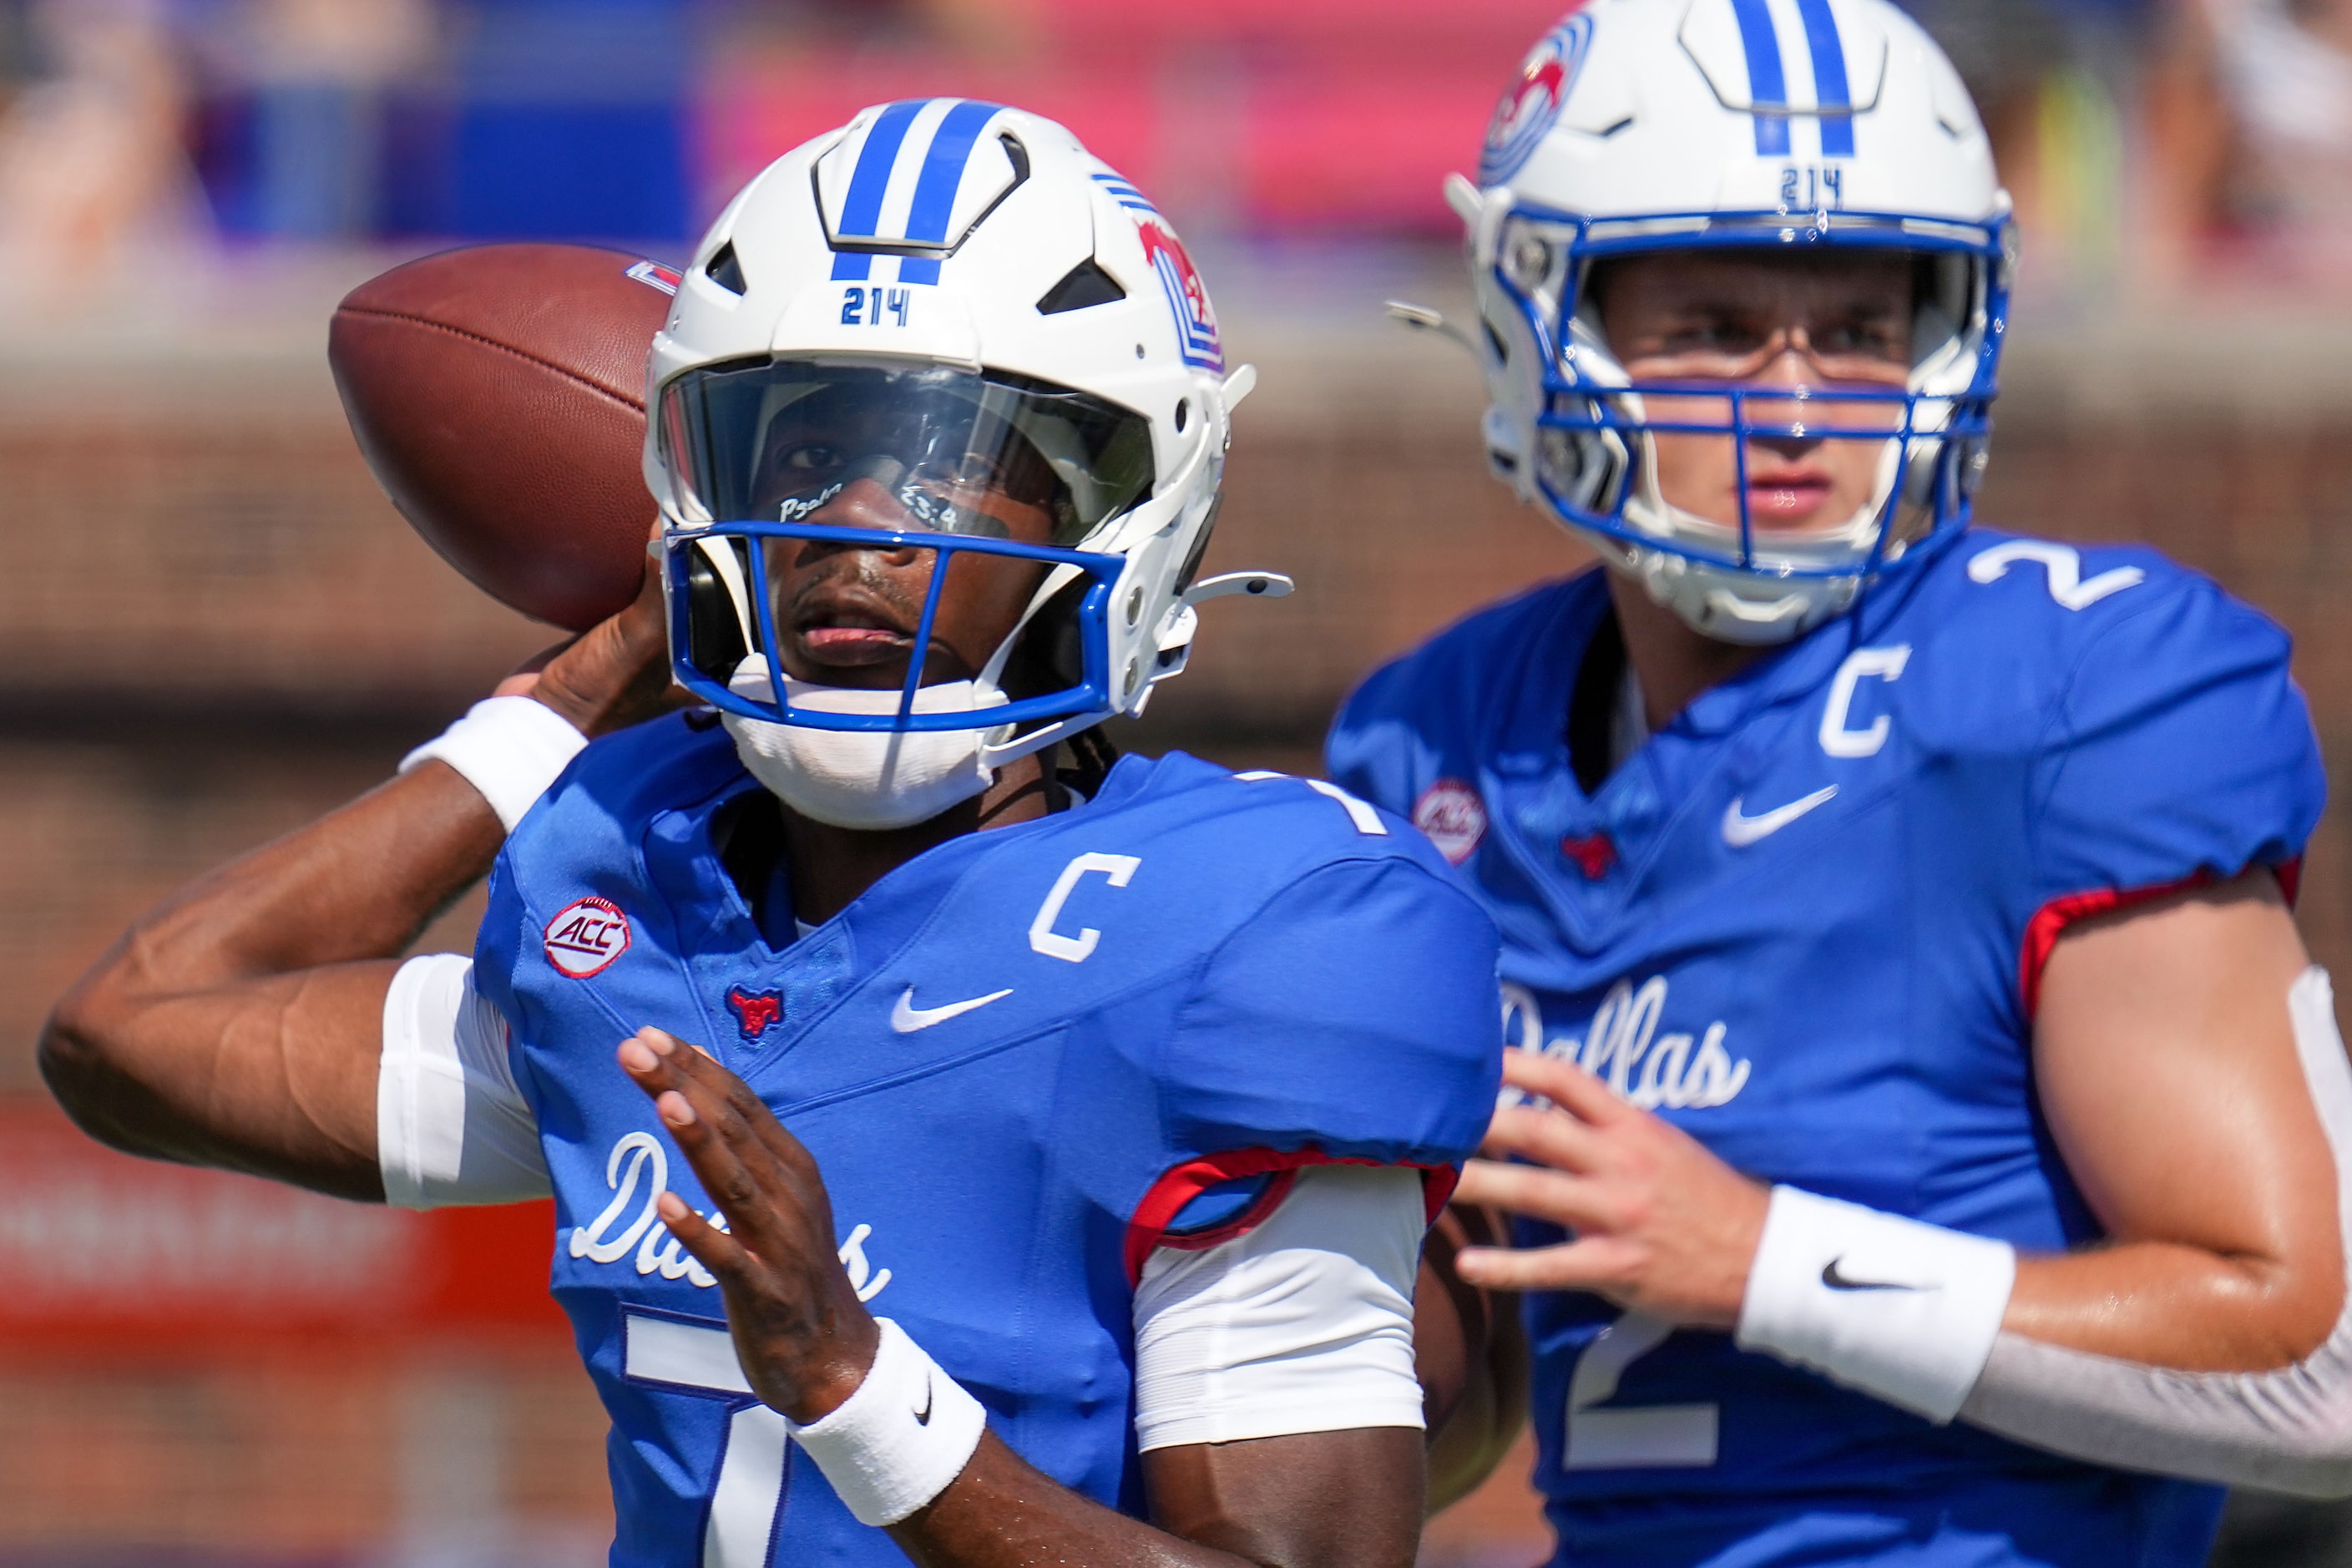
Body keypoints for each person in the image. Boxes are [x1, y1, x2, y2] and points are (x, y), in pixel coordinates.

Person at [41, 103, 1505, 1568]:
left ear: (1125, 513)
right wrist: (561, 700)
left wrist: (855, 1392)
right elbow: (134, 1030)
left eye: (947, 459)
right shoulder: (630, 885)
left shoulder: (1246, 934)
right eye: (800, 450)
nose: (855, 515)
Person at [1328, 2, 2352, 1563]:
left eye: (1863, 329)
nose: (1798, 402)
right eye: (1720, 321)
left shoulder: (2067, 694)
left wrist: (1760, 1258)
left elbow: (2313, 1366)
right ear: (1540, 323)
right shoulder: (1441, 739)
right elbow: (1467, 1418)